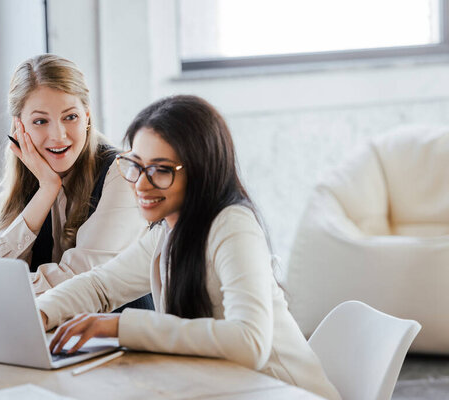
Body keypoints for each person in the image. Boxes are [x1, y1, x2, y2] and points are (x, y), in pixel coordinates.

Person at [37, 95, 341, 400]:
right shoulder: (169, 228)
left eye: (161, 169)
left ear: (199, 170)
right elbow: (101, 286)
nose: (141, 184)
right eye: (135, 165)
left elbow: (249, 343)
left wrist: (121, 326)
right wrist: (40, 313)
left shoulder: (232, 225)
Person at [0, 54, 153, 310]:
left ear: (86, 117)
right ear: (20, 129)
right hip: (56, 338)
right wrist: (47, 190)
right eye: (40, 121)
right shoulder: (34, 176)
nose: (58, 135)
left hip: (121, 341)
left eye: (70, 117)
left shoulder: (123, 173)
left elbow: (79, 283)